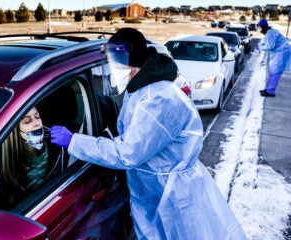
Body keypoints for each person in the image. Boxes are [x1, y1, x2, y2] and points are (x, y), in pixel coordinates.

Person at [50, 28, 247, 239]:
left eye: (116, 63)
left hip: (173, 196)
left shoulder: (159, 98)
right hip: (153, 189)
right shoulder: (140, 89)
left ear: (131, 62)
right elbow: (134, 133)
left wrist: (75, 141)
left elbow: (128, 152)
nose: (112, 70)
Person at [0, 106, 69, 202]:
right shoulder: (2, 162)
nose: (37, 123)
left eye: (37, 116)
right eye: (27, 121)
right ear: (15, 130)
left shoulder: (58, 147)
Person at [257, 18, 291, 97]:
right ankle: (269, 88)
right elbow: (266, 42)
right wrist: (260, 45)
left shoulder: (270, 33)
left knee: (275, 71)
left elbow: (269, 46)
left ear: (263, 27)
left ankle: (270, 91)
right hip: (280, 52)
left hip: (282, 52)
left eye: (259, 27)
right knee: (273, 69)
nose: (258, 29)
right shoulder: (270, 32)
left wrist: (260, 47)